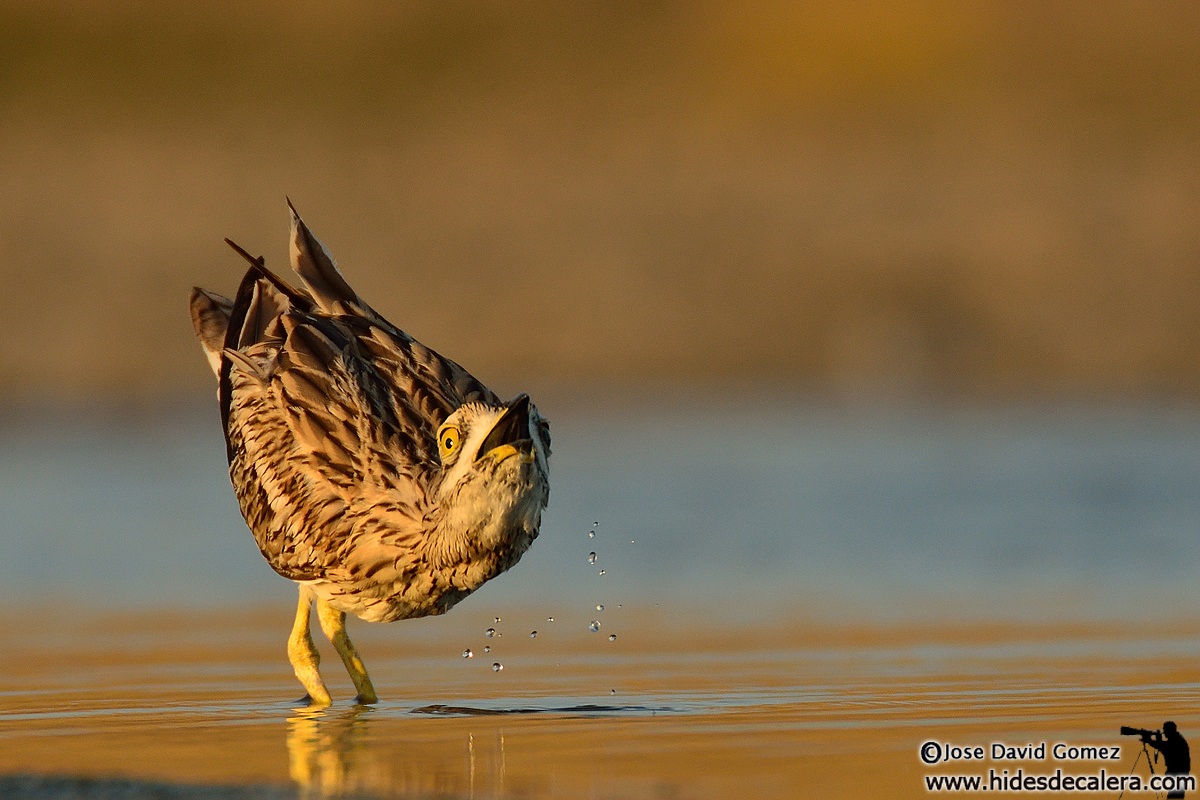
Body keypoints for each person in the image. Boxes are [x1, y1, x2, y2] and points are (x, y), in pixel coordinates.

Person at [1144, 721, 1191, 799]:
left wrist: (1150, 741)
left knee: (1174, 796)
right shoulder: (1177, 739)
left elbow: (1165, 748)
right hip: (1179, 774)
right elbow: (1164, 747)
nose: (1164, 732)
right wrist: (1157, 741)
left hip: (1177, 774)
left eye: (1165, 730)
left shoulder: (1177, 741)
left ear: (1170, 731)